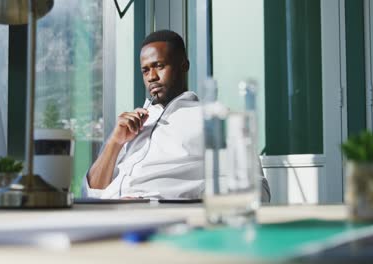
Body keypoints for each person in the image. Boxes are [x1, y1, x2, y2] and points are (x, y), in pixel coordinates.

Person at [84, 30, 270, 202]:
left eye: (159, 66)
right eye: (145, 70)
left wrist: (177, 201)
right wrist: (115, 142)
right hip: (104, 212)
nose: (151, 77)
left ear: (184, 66)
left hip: (159, 218)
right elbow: (92, 191)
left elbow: (258, 191)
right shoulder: (130, 125)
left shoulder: (213, 118)